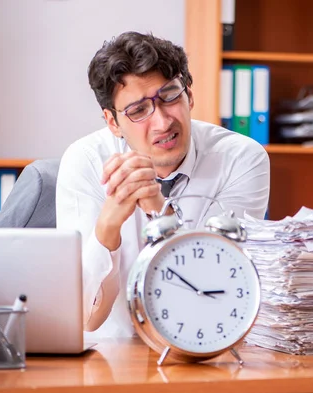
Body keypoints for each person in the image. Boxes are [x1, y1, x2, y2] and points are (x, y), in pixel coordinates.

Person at [56, 32, 270, 338]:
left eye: (169, 96)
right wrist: (107, 227)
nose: (162, 122)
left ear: (189, 95)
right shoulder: (86, 162)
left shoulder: (241, 159)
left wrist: (159, 208)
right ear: (113, 122)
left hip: (206, 351)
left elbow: (220, 296)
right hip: (110, 357)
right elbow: (82, 319)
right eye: (138, 110)